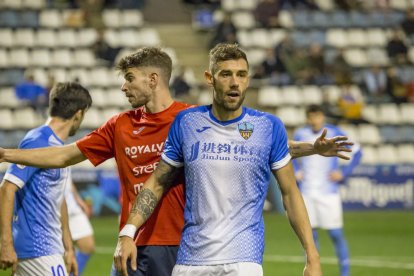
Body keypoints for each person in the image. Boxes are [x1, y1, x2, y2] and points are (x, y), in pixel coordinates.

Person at [0, 47, 352, 276]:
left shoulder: (191, 119)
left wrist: (310, 148)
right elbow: (63, 154)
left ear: (153, 80)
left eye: (129, 79)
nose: (124, 88)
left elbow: (262, 143)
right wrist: (6, 153)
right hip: (134, 241)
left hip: (180, 243)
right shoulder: (119, 125)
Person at [112, 43, 327, 276]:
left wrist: (312, 256)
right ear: (209, 78)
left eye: (241, 75)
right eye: (226, 74)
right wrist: (128, 232)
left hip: (243, 260)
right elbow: (157, 182)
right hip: (190, 262)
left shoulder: (268, 127)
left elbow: (290, 194)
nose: (235, 82)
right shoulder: (187, 123)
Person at [0, 82, 92, 276]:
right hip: (38, 248)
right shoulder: (37, 141)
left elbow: (59, 196)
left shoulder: (58, 147)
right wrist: (6, 244)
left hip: (49, 248)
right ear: (79, 114)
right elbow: (7, 188)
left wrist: (68, 247)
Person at [293, 104, 362, 276]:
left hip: (328, 192)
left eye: (317, 116)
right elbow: (290, 153)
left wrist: (344, 172)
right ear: (307, 118)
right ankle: (313, 271)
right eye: (311, 116)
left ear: (322, 116)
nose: (314, 120)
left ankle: (345, 274)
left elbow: (358, 152)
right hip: (307, 192)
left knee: (336, 233)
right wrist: (295, 171)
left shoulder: (335, 132)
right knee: (310, 238)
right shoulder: (300, 134)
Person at [65, 181, 95, 275]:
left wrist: (78, 200)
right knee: (60, 252)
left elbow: (67, 177)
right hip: (54, 208)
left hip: (72, 208)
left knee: (88, 245)